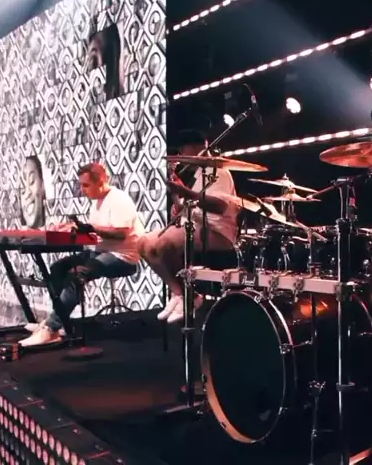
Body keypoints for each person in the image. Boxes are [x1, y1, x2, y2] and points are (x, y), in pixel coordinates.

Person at [20, 163, 143, 347]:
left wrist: (91, 228)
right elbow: (96, 232)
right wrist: (73, 228)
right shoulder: (96, 203)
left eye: (86, 185)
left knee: (77, 274)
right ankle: (61, 323)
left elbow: (120, 234)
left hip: (122, 256)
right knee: (58, 268)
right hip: (99, 252)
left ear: (100, 182)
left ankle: (51, 328)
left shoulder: (119, 200)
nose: (82, 190)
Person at [140, 131, 239, 324]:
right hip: (196, 226)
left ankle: (189, 296)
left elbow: (219, 206)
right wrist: (177, 195)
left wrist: (185, 192)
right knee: (143, 243)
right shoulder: (198, 175)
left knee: (162, 244)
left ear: (194, 148)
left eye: (183, 150)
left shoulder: (219, 172)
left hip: (217, 231)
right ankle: (180, 294)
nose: (181, 154)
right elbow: (186, 209)